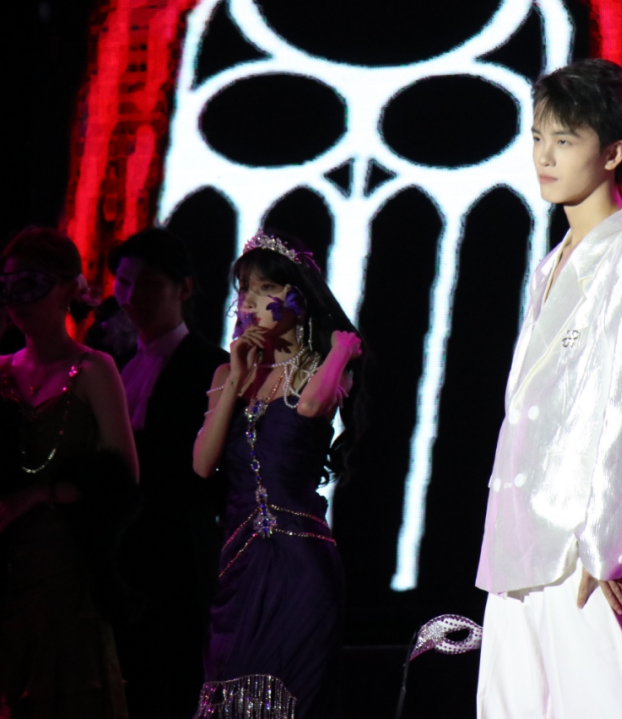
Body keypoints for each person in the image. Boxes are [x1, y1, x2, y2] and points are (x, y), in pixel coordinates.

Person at [475, 59, 622, 718]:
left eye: (564, 140)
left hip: (583, 550)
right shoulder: (551, 264)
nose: (544, 156)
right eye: (538, 137)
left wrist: (608, 545)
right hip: (519, 541)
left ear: (612, 152)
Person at [192, 231, 363, 719]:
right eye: (244, 289)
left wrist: (341, 349)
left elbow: (310, 407)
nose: (248, 301)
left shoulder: (323, 368)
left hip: (300, 564)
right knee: (230, 694)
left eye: (265, 288)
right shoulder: (228, 374)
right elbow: (203, 464)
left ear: (297, 298)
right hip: (240, 563)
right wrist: (236, 376)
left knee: (294, 698)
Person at [0, 226, 139, 718]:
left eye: (31, 284)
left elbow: (124, 481)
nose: (17, 300)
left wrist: (39, 496)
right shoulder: (2, 370)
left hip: (66, 565)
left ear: (65, 288)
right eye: (7, 286)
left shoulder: (94, 369)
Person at [107, 228, 229, 718]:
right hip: (123, 559)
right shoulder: (115, 363)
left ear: (184, 288)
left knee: (175, 685)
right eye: (124, 283)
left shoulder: (211, 367)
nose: (131, 297)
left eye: (149, 284)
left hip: (180, 558)